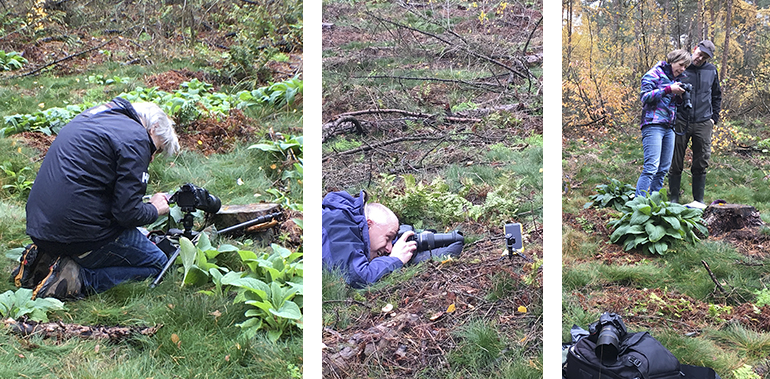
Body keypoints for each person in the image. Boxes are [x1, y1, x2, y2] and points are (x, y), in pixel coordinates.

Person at [16, 97, 180, 300]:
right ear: (152, 129)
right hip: (77, 234)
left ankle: (48, 258)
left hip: (40, 228)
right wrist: (154, 209)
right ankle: (78, 279)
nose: (152, 157)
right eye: (157, 149)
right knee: (161, 263)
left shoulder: (95, 116)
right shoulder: (137, 137)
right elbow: (128, 214)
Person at [322, 190, 463, 288]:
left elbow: (381, 237)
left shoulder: (353, 220)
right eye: (388, 238)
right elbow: (358, 277)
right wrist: (395, 259)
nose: (389, 248)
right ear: (369, 224)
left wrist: (415, 238)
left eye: (392, 240)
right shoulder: (337, 225)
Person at [669, 40, 722, 207]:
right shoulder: (681, 67)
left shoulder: (711, 70)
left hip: (703, 121)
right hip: (680, 120)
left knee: (701, 161)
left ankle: (698, 201)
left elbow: (716, 95)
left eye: (705, 57)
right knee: (675, 160)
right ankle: (673, 200)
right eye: (699, 54)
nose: (700, 58)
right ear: (694, 49)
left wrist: (713, 118)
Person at [635, 49, 691, 198]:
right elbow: (645, 97)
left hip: (669, 126)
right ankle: (637, 203)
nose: (682, 69)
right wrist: (668, 89)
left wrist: (679, 97)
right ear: (672, 61)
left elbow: (669, 103)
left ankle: (654, 203)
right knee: (651, 168)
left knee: (663, 169)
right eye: (681, 65)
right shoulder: (654, 74)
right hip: (653, 124)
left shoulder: (675, 79)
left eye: (685, 66)